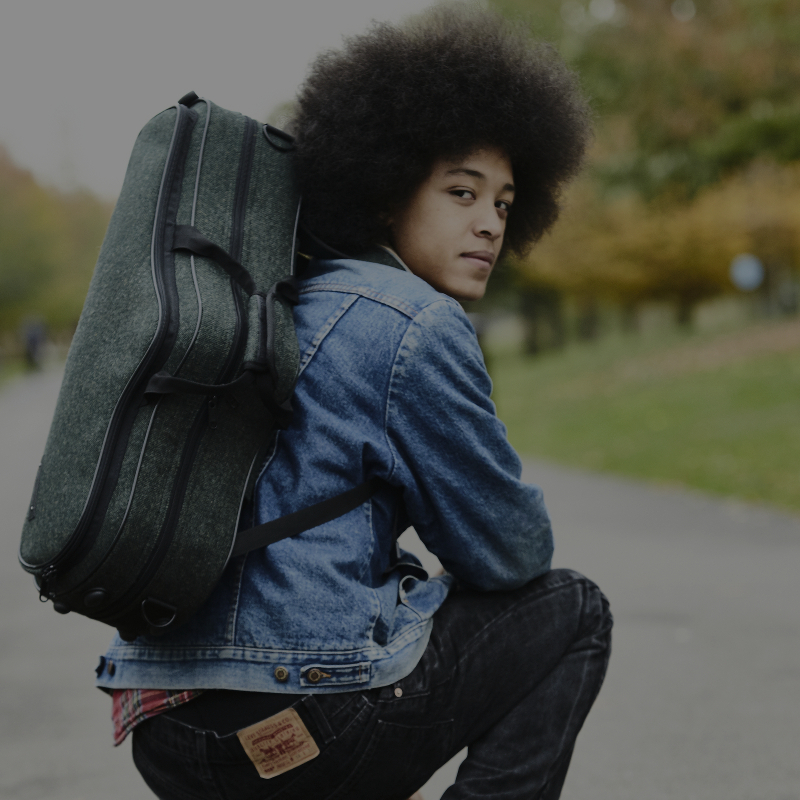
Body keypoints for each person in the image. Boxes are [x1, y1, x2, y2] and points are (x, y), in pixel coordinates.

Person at [96, 6, 612, 798]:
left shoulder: (265, 303)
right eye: (462, 192)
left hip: (162, 730)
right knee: (573, 608)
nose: (489, 225)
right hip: (307, 719)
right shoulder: (410, 320)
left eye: (505, 203)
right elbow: (510, 554)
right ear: (382, 193)